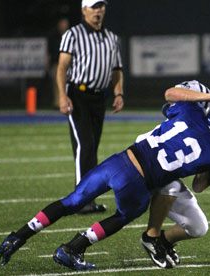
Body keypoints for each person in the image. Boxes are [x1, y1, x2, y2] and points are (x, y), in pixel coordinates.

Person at [0, 91, 210, 270]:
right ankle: (73, 248)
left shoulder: (192, 110)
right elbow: (199, 187)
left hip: (120, 160)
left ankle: (18, 236)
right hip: (138, 182)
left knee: (71, 201)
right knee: (123, 216)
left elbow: (170, 94)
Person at [140, 79, 210, 268]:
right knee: (129, 209)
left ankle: (162, 241)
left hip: (169, 172)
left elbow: (198, 186)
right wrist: (209, 100)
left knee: (198, 226)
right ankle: (83, 242)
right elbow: (169, 95)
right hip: (148, 157)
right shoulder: (198, 94)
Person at [57, 0, 125, 214]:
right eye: (93, 7)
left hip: (99, 98)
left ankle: (89, 199)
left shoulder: (112, 38)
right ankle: (81, 199)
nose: (97, 11)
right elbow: (61, 68)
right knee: (85, 147)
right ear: (83, 10)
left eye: (101, 7)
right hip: (78, 95)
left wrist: (118, 92)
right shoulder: (73, 34)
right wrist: (62, 95)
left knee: (92, 148)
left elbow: (116, 69)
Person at [47, 17, 69, 108]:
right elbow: (49, 52)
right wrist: (48, 64)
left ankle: (69, 101)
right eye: (62, 23)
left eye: (65, 23)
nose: (64, 25)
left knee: (69, 84)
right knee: (57, 84)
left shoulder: (70, 35)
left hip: (68, 65)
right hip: (56, 64)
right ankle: (57, 103)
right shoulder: (54, 36)